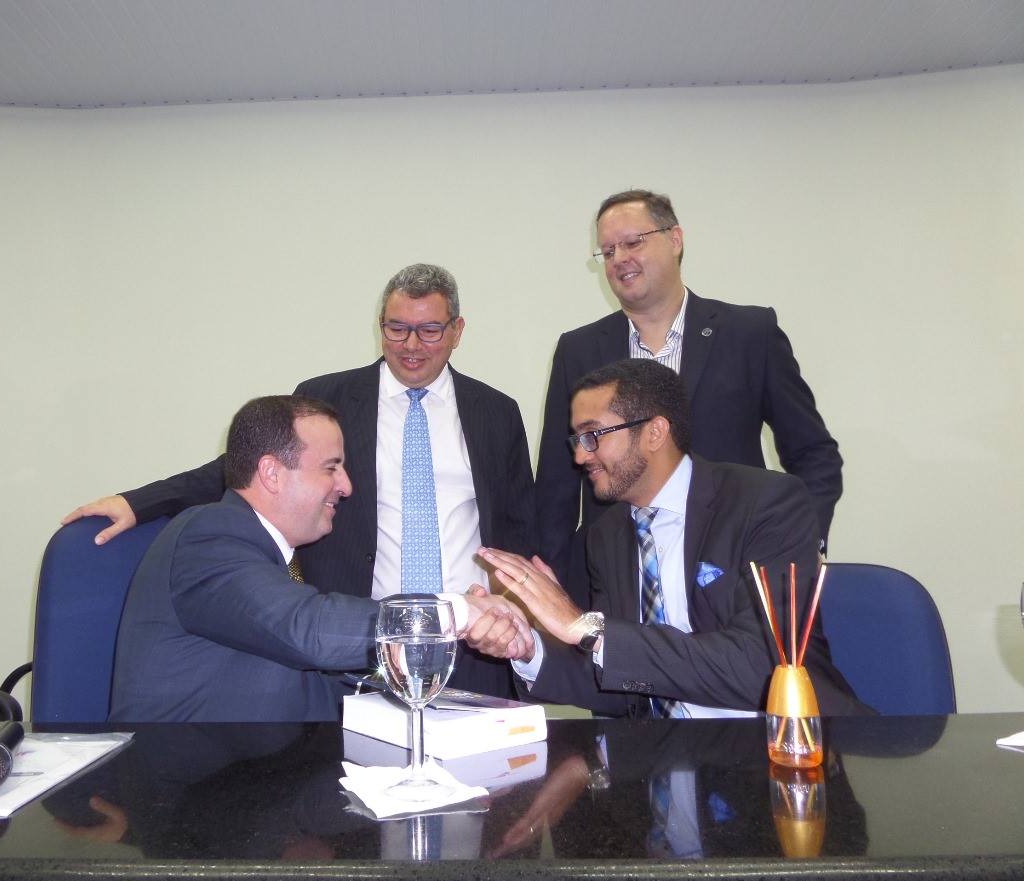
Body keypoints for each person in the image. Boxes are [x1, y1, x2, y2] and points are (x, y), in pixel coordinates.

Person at [70, 263, 536, 698]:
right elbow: (247, 464)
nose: (411, 344)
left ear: (457, 330)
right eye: (397, 328)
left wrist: (513, 618)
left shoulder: (495, 412)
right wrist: (140, 503)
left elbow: (519, 526)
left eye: (429, 330)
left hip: (472, 644)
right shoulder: (329, 397)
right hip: (354, 644)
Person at [470, 359, 869, 718]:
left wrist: (588, 627)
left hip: (783, 747)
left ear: (655, 433)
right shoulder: (606, 536)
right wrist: (529, 648)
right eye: (577, 440)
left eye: (593, 435)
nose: (580, 456)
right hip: (666, 757)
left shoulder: (766, 503)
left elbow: (766, 666)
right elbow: (623, 687)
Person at [109, 395, 527, 723]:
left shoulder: (269, 554)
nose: (346, 486)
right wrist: (453, 612)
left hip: (267, 775)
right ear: (271, 473)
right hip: (192, 792)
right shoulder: (208, 535)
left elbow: (315, 673)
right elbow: (305, 629)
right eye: (331, 468)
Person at [536, 189, 842, 598]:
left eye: (633, 242)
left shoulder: (749, 334)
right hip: (616, 582)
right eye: (607, 251)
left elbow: (814, 455)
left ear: (675, 239)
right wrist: (554, 588)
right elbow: (555, 487)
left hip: (734, 574)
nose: (619, 258)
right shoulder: (579, 350)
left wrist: (796, 548)